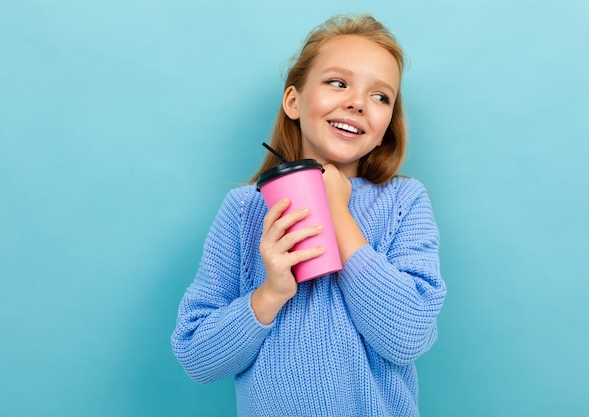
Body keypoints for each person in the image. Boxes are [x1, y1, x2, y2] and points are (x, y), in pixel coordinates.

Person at [172, 13, 446, 417]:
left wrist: (336, 210)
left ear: (387, 124)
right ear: (294, 101)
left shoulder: (403, 200)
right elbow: (196, 355)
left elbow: (408, 335)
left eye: (380, 96)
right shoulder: (244, 210)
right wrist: (270, 295)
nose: (356, 102)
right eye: (338, 82)